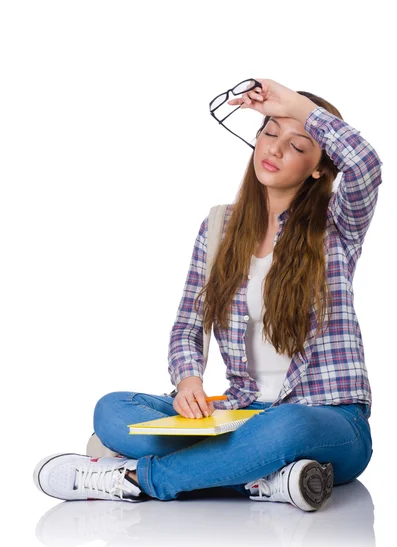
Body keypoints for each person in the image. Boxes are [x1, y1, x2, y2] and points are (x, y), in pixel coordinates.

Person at [33, 78, 382, 512]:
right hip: (242, 413)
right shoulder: (219, 228)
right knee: (113, 412)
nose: (274, 150)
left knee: (287, 426)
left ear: (317, 166)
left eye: (296, 145)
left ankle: (134, 478)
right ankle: (266, 479)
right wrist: (189, 379)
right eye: (270, 133)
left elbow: (366, 163)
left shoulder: (338, 224)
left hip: (328, 419)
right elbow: (187, 325)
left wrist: (292, 104)